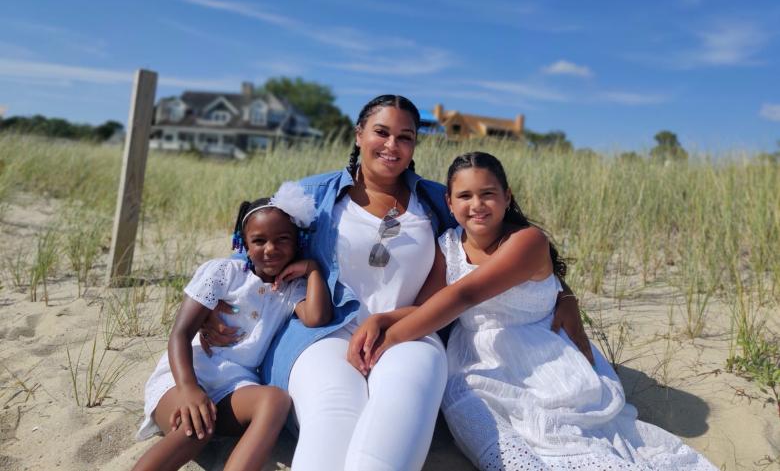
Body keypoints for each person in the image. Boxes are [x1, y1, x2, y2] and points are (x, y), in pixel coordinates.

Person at [201, 96, 590, 471]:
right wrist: (210, 303)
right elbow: (256, 245)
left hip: (413, 328)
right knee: (337, 409)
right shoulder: (312, 194)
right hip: (321, 331)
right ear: (359, 135)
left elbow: (503, 243)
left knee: (402, 402)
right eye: (381, 133)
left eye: (405, 137)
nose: (392, 145)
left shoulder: (439, 200)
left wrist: (563, 293)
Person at [363, 151, 717, 471]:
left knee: (561, 438)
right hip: (476, 362)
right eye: (465, 196)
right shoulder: (449, 245)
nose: (477, 204)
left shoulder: (527, 241)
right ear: (449, 203)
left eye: (488, 193)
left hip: (543, 355)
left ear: (507, 196)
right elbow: (430, 305)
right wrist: (383, 319)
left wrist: (390, 340)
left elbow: (464, 295)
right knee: (492, 439)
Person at [132, 182, 332, 471]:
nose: (271, 249)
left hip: (235, 386)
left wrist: (312, 269)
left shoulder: (291, 288)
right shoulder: (223, 273)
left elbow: (316, 317)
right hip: (186, 376)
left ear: (298, 242)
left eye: (283, 239)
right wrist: (189, 388)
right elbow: (181, 333)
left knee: (275, 400)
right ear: (244, 243)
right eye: (259, 241)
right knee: (197, 428)